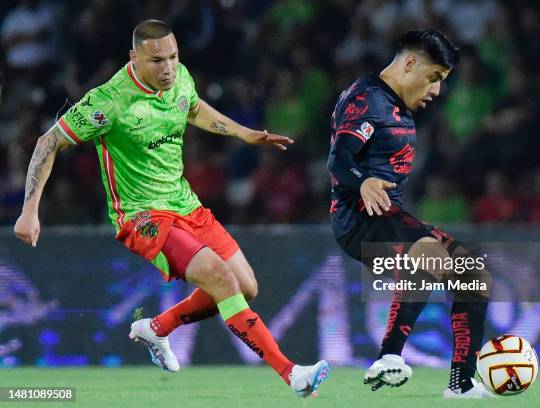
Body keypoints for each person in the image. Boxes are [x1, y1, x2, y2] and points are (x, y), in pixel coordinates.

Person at [14, 19, 329, 398]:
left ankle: (157, 328)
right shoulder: (108, 101)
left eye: (174, 57)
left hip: (185, 203)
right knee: (220, 278)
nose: (168, 68)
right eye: (157, 60)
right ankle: (292, 373)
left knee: (247, 287)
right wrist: (30, 209)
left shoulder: (179, 77)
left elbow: (193, 109)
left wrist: (245, 133)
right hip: (141, 215)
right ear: (134, 57)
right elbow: (48, 143)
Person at [327, 29, 493, 399]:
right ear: (409, 63)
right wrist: (363, 182)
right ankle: (388, 357)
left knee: (474, 276)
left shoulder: (396, 105)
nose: (436, 90)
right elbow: (339, 158)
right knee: (428, 256)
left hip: (391, 215)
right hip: (360, 219)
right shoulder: (367, 99)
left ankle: (461, 384)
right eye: (433, 78)